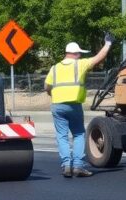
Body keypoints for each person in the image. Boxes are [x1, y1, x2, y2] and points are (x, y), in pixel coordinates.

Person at [45, 35, 113, 178]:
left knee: (62, 136)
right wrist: (107, 43)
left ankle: (66, 166)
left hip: (57, 105)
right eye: (79, 53)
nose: (80, 55)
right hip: (74, 105)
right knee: (78, 134)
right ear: (75, 54)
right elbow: (99, 57)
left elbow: (47, 87)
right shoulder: (80, 64)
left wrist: (55, 94)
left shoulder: (54, 68)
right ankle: (78, 166)